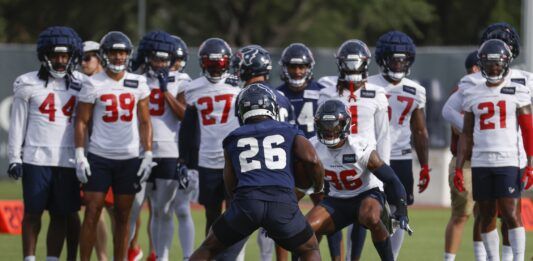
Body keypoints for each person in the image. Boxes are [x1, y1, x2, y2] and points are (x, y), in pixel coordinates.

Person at [189, 83, 324, 261]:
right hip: (281, 201)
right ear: (272, 107)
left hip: (247, 201)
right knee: (309, 249)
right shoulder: (288, 130)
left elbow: (230, 183)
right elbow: (311, 159)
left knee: (209, 247)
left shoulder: (233, 138)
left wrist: (241, 205)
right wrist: (317, 186)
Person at [441, 22, 533, 261]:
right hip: (482, 157)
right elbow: (452, 113)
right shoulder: (472, 84)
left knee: (510, 213)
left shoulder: (525, 81)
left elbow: (528, 125)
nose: (494, 64)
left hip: (514, 155)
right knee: (486, 213)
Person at [74, 31, 155, 261]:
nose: (119, 56)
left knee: (123, 215)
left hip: (128, 157)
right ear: (105, 54)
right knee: (92, 211)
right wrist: (80, 154)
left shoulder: (138, 82)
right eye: (114, 52)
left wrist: (148, 153)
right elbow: (82, 121)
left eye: (122, 52)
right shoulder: (93, 83)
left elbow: (145, 121)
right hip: (99, 156)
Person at [7, 26, 83, 261]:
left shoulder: (83, 83)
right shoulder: (27, 83)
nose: (60, 61)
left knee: (60, 214)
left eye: (65, 56)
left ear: (72, 56)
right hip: (36, 158)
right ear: (44, 56)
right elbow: (17, 123)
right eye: (55, 55)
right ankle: (29, 258)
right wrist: (14, 158)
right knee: (32, 213)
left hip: (68, 159)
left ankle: (52, 258)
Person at [305, 99, 410, 261]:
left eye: (335, 125)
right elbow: (296, 183)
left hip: (366, 195)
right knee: (302, 230)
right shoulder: (312, 147)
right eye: (325, 126)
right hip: (336, 200)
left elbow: (391, 179)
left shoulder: (359, 146)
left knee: (370, 217)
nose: (329, 130)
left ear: (345, 124)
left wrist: (402, 211)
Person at [317, 39, 390, 261]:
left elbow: (383, 136)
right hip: (334, 159)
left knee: (364, 218)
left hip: (366, 162)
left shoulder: (377, 93)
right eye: (347, 63)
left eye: (355, 63)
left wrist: (383, 176)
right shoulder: (327, 91)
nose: (352, 68)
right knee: (331, 213)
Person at [367, 31, 429, 260]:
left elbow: (420, 131)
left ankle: (392, 257)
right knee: (357, 207)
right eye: (394, 59)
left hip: (401, 156)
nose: (398, 63)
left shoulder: (416, 89)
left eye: (402, 59)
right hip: (370, 156)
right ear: (383, 59)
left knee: (398, 211)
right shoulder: (368, 84)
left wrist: (424, 165)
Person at [179, 37, 242, 260]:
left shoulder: (238, 84)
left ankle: (234, 257)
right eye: (211, 63)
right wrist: (185, 162)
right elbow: (188, 129)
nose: (215, 68)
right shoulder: (193, 88)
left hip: (233, 161)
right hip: (206, 161)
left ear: (228, 63)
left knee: (236, 215)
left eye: (220, 63)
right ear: (203, 63)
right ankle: (212, 256)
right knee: (212, 215)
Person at [441, 51, 483, 261]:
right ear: (476, 68)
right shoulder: (464, 90)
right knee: (461, 214)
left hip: (487, 159)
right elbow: (459, 127)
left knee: (484, 214)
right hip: (465, 161)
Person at [79, 40, 115, 261]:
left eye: (87, 58)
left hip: (117, 154)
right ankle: (102, 257)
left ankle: (128, 250)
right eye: (80, 58)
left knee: (119, 211)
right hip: (94, 155)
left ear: (99, 58)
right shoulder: (84, 83)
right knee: (94, 210)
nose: (82, 63)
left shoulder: (113, 82)